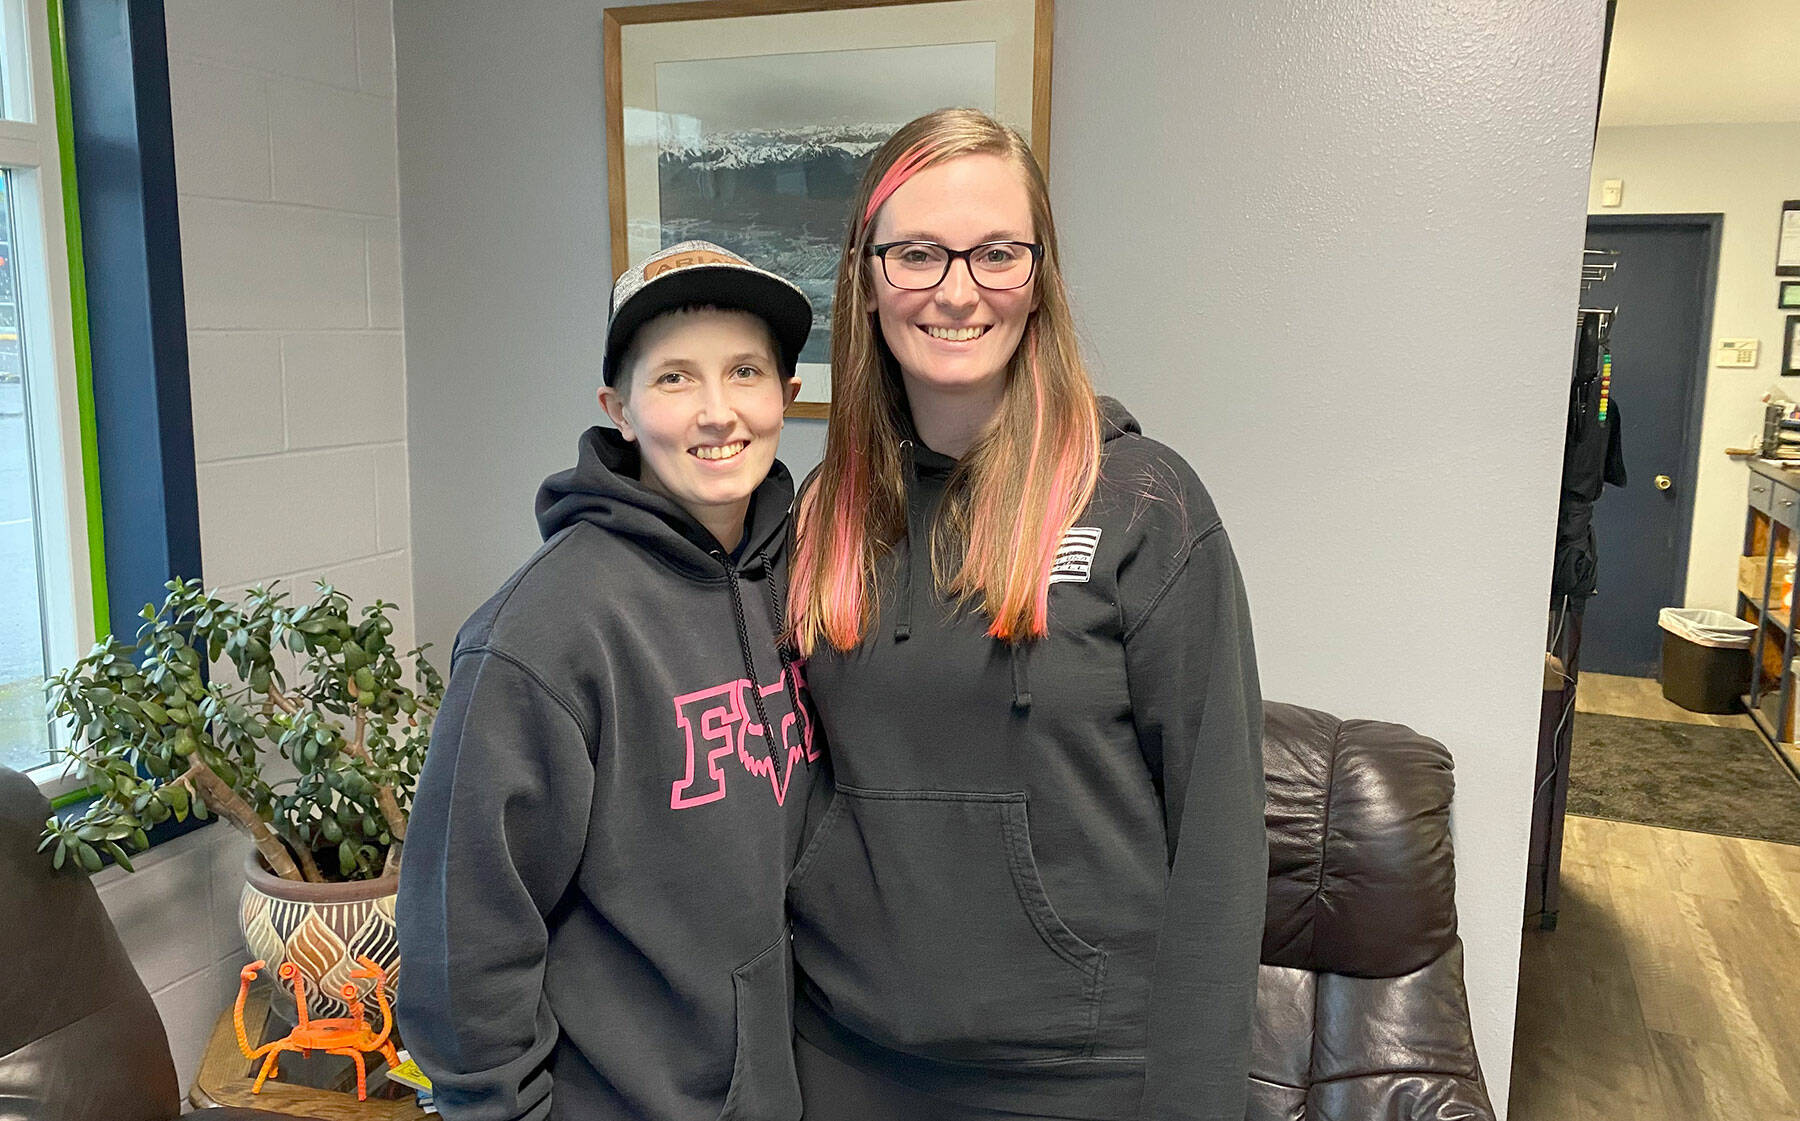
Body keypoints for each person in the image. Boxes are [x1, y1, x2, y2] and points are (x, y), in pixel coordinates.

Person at [785, 109, 1267, 1121]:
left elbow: (1220, 840)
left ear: (1039, 276)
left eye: (997, 253)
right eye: (918, 253)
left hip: (1078, 1074)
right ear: (866, 279)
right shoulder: (826, 510)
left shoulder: (1144, 503)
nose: (958, 290)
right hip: (842, 1056)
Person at [397, 241, 820, 1121]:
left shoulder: (808, 577)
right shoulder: (539, 635)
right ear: (619, 410)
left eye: (744, 371)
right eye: (674, 378)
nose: (717, 412)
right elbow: (463, 941)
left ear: (786, 394)